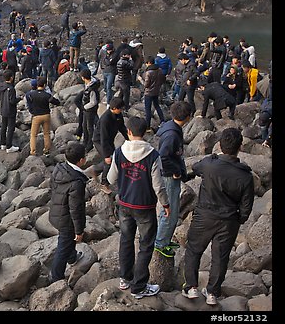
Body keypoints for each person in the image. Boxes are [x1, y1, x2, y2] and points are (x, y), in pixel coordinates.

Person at [182, 128, 254, 305]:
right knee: (220, 257)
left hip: (205, 215)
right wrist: (240, 219)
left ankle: (191, 287)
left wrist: (213, 157)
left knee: (193, 250)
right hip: (229, 220)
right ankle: (213, 292)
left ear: (220, 145)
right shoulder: (246, 175)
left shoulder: (210, 164)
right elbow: (247, 206)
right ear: (239, 147)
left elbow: (195, 167)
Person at [107, 116, 170, 299]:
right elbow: (158, 185)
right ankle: (139, 286)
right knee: (146, 244)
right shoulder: (152, 155)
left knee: (126, 240)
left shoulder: (119, 152)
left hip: (125, 204)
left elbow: (111, 179)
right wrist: (165, 204)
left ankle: (125, 278)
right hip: (145, 206)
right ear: (145, 133)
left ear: (128, 132)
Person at [154, 101, 193, 258]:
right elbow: (163, 156)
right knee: (169, 211)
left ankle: (164, 238)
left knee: (172, 209)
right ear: (188, 117)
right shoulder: (171, 134)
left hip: (169, 173)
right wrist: (176, 171)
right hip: (169, 176)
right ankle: (160, 243)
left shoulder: (170, 127)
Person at [48, 142, 89, 283]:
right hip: (66, 219)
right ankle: (56, 277)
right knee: (63, 246)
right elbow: (75, 208)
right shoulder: (76, 182)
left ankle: (72, 257)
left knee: (67, 240)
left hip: (56, 211)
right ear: (82, 160)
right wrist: (79, 230)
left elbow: (52, 188)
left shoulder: (59, 168)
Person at [92, 97, 129, 194]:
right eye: (120, 108)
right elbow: (103, 138)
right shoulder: (105, 119)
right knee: (109, 161)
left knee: (113, 158)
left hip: (109, 140)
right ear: (114, 108)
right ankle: (104, 184)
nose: (121, 110)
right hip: (99, 141)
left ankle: (95, 170)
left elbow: (122, 128)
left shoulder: (118, 115)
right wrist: (106, 155)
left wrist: (130, 139)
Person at [26, 77, 61, 156]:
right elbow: (56, 102)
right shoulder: (47, 95)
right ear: (44, 85)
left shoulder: (31, 94)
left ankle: (33, 152)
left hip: (36, 116)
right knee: (46, 133)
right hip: (46, 115)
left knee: (33, 135)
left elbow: (28, 104)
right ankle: (46, 151)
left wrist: (32, 111)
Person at [0, 69, 21, 153]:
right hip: (10, 110)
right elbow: (12, 101)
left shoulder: (1, 86)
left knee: (3, 127)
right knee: (11, 128)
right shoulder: (11, 88)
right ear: (11, 78)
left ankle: (3, 144)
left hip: (3, 109)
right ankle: (9, 146)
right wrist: (19, 98)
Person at [79, 69, 101, 152]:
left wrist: (85, 107)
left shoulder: (92, 89)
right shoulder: (88, 84)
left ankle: (90, 143)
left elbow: (93, 102)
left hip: (90, 110)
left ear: (84, 78)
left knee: (89, 127)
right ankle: (85, 141)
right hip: (86, 109)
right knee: (84, 126)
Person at [143, 56, 166, 131]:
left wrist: (140, 80)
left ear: (149, 63)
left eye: (146, 63)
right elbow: (163, 79)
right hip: (156, 92)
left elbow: (146, 85)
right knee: (157, 106)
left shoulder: (148, 73)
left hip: (148, 93)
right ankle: (162, 121)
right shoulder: (159, 70)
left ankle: (147, 127)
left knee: (148, 110)